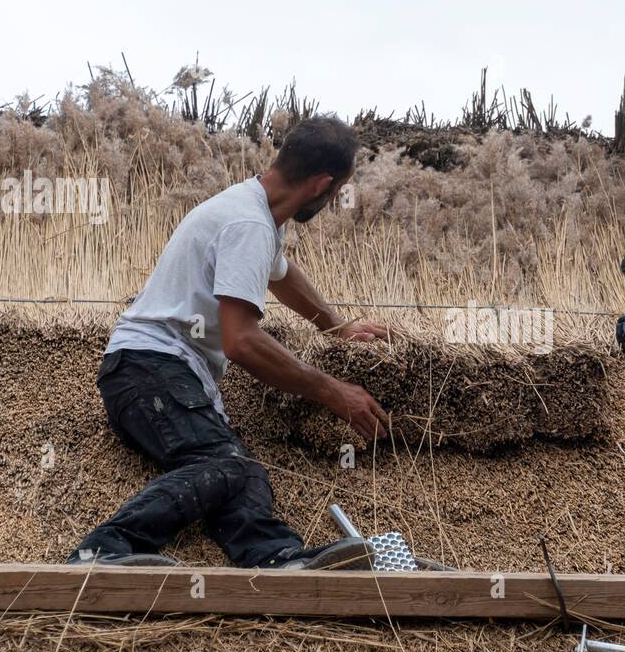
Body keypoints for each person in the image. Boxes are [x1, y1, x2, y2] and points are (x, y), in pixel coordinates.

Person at [67, 115, 390, 570]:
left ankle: (275, 559)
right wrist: (334, 392)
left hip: (157, 375)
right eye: (336, 193)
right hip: (149, 369)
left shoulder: (257, 212)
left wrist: (335, 327)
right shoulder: (249, 225)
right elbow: (241, 341)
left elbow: (281, 273)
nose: (332, 200)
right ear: (322, 184)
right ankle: (103, 549)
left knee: (245, 473)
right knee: (226, 463)